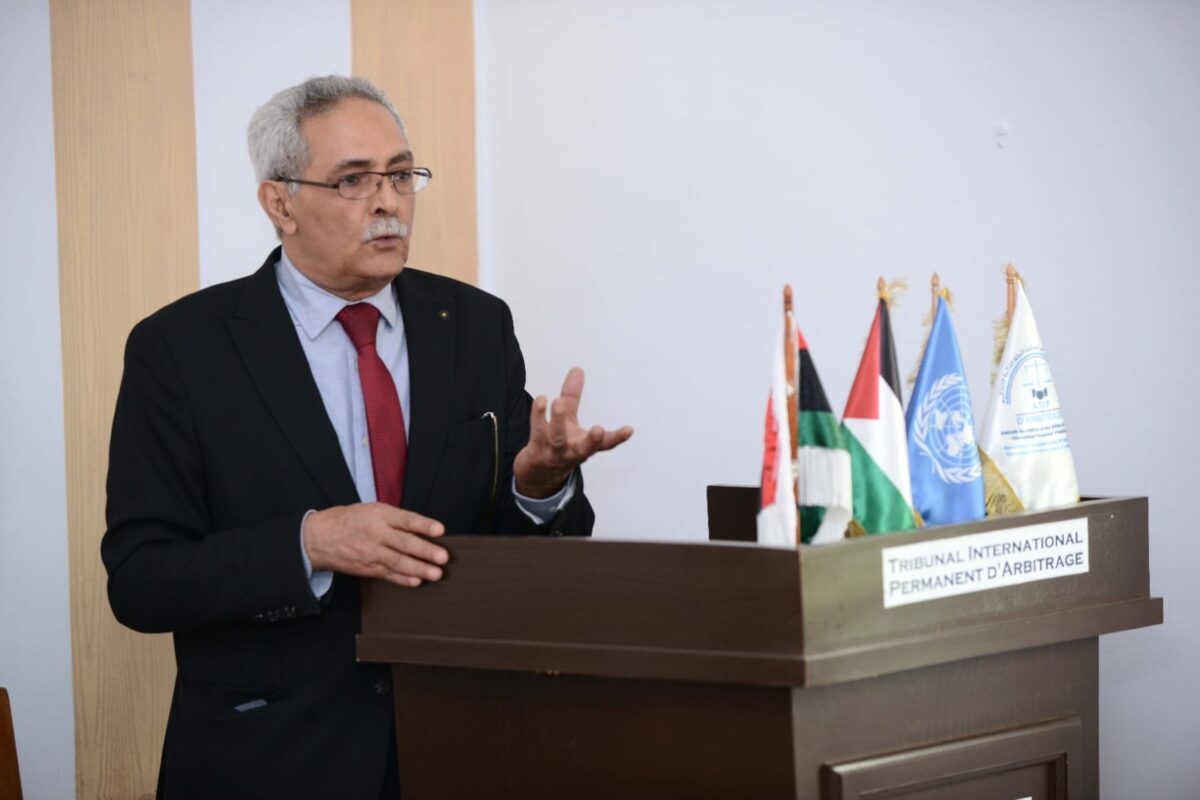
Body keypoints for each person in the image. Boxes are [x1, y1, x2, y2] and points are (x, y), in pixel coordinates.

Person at [102, 75, 632, 800]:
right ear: (279, 203)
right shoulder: (181, 350)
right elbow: (140, 580)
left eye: (401, 175)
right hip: (270, 759)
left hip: (458, 740)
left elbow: (517, 553)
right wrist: (309, 544)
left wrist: (538, 484)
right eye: (354, 181)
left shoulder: (475, 325)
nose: (389, 203)